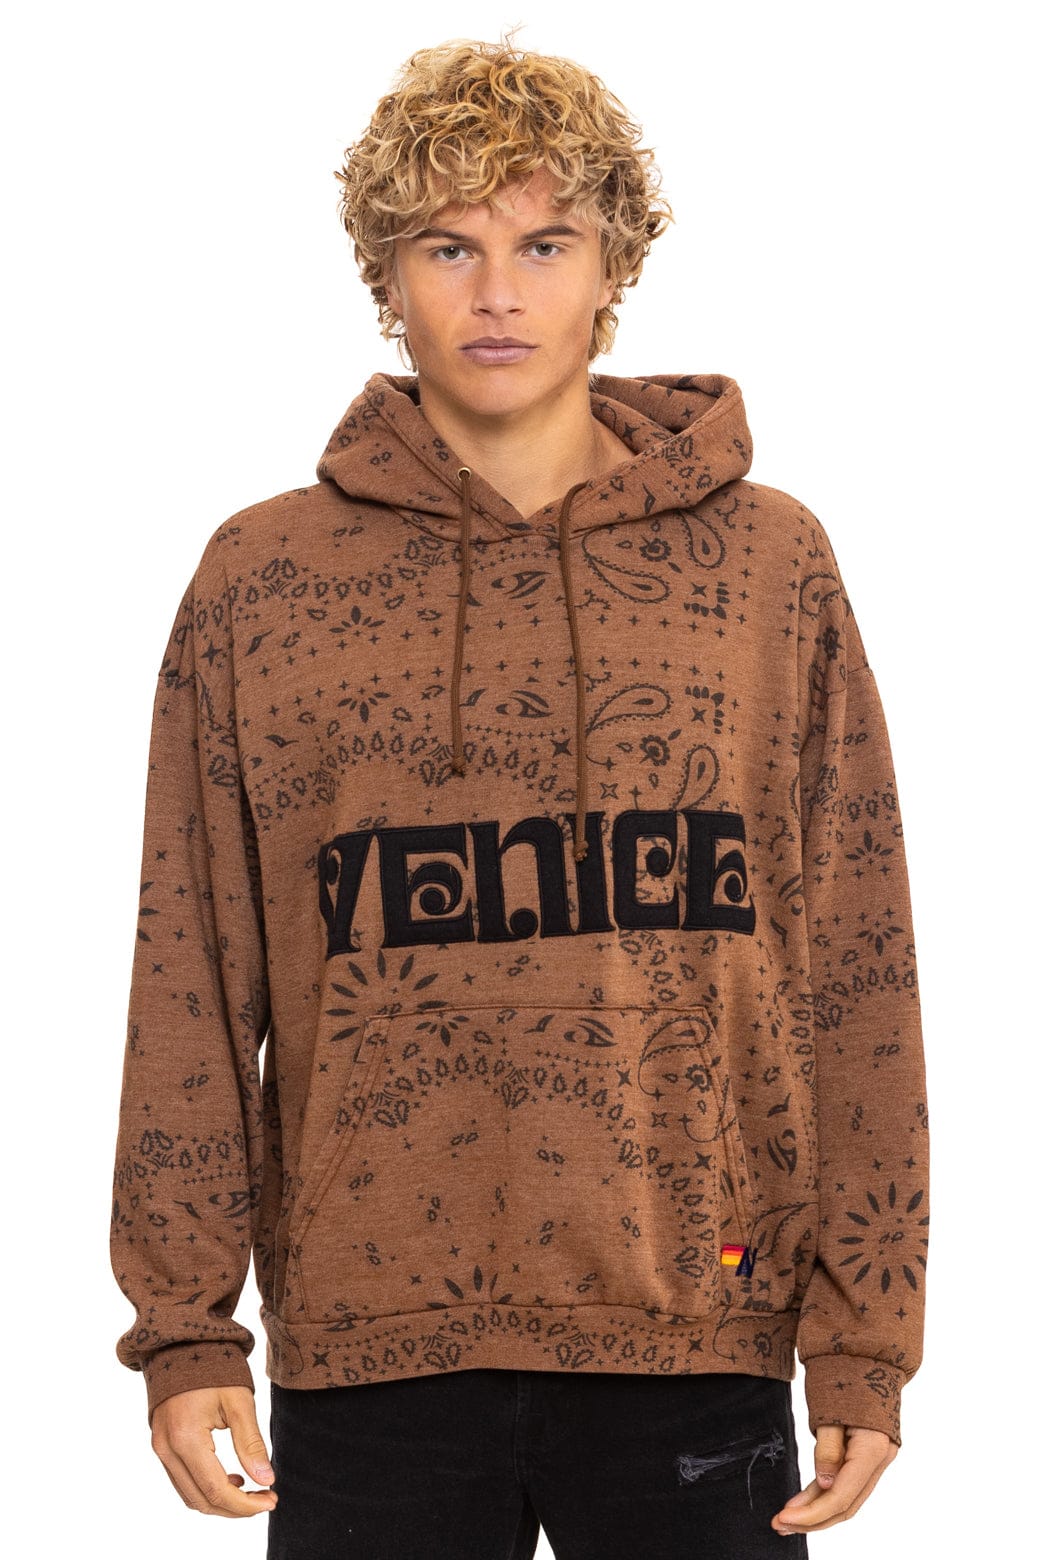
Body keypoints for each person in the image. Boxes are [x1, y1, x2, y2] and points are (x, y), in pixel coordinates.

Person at [109, 28, 929, 1558]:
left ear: (612, 265)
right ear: (388, 271)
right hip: (372, 1343)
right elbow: (193, 968)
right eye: (450, 245)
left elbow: (856, 959)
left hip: (697, 1325)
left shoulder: (766, 565)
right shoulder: (264, 580)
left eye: (544, 242)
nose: (497, 292)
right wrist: (185, 1327)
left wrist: (866, 1334)